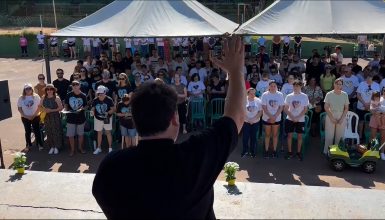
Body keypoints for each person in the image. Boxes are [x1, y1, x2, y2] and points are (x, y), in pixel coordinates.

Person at [92, 35, 245, 219]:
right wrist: (236, 71)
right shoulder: (196, 156)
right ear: (174, 118)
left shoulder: (111, 168)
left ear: (135, 119)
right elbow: (235, 116)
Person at [284, 80, 309, 161]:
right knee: (289, 136)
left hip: (300, 119)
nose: (295, 88)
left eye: (297, 86)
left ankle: (298, 153)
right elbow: (286, 109)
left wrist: (297, 117)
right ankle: (290, 152)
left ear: (300, 86)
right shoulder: (289, 96)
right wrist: (292, 117)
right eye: (294, 86)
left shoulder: (304, 96)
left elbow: (305, 109)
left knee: (299, 136)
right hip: (290, 119)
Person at [323, 78, 349, 154]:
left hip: (341, 116)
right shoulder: (329, 94)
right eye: (337, 84)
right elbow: (326, 107)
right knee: (329, 136)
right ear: (334, 84)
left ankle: (337, 152)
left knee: (339, 137)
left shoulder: (345, 94)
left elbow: (346, 108)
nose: (338, 85)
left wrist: (341, 119)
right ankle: (328, 152)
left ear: (342, 85)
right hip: (331, 115)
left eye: (340, 84)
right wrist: (332, 118)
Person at [261, 80, 284, 158]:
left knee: (275, 135)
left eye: (274, 86)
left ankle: (274, 151)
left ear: (276, 87)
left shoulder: (280, 94)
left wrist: (275, 116)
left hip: (276, 118)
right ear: (269, 86)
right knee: (267, 135)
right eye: (271, 86)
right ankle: (266, 151)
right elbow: (264, 107)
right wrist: (271, 117)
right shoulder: (265, 95)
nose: (273, 87)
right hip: (267, 118)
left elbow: (281, 107)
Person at [17, 83, 43, 152]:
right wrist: (25, 116)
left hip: (36, 116)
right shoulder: (21, 98)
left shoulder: (36, 96)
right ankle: (28, 145)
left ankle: (39, 144)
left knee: (37, 130)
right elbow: (19, 108)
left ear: (32, 89)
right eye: (26, 89)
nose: (28, 90)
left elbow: (39, 107)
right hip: (25, 118)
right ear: (24, 90)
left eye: (29, 88)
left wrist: (34, 115)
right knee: (27, 131)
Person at [65, 80, 88, 156]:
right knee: (71, 135)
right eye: (73, 85)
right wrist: (66, 110)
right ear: (72, 86)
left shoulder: (83, 95)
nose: (75, 86)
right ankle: (72, 150)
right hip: (70, 117)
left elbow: (86, 105)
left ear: (79, 86)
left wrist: (82, 109)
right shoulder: (68, 95)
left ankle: (80, 148)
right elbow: (66, 104)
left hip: (80, 117)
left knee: (80, 134)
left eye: (77, 85)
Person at [40, 84, 63, 155]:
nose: (49, 91)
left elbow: (61, 108)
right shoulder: (43, 97)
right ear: (46, 90)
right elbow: (40, 106)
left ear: (53, 90)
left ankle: (57, 147)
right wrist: (44, 110)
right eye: (47, 89)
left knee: (56, 131)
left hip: (55, 116)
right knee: (49, 131)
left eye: (51, 89)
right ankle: (52, 147)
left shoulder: (57, 98)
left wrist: (51, 110)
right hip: (47, 117)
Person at [92, 85, 115, 154]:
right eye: (99, 93)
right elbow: (93, 109)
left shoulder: (109, 99)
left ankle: (110, 148)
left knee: (108, 132)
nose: (100, 95)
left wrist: (107, 113)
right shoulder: (95, 100)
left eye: (102, 93)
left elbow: (113, 109)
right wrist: (92, 112)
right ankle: (99, 148)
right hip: (98, 118)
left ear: (105, 92)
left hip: (107, 118)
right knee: (99, 133)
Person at [356, 73, 380, 139]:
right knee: (361, 122)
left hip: (371, 107)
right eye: (367, 77)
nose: (368, 79)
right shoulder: (361, 84)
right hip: (361, 106)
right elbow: (358, 95)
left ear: (373, 78)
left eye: (370, 77)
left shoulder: (376, 85)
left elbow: (376, 97)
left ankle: (367, 137)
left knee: (368, 122)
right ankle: (360, 136)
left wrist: (369, 105)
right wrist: (364, 103)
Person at [242, 88, 262, 158]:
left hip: (255, 122)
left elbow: (260, 112)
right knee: (245, 137)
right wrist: (248, 119)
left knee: (254, 138)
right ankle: (245, 151)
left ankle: (253, 152)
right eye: (251, 93)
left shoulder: (258, 100)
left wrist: (253, 119)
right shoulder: (244, 100)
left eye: (254, 93)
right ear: (248, 93)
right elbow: (242, 111)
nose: (253, 95)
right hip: (246, 122)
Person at [369, 90, 385, 160]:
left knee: (383, 137)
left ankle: (382, 153)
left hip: (384, 119)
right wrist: (376, 110)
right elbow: (371, 111)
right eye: (384, 91)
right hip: (374, 119)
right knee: (373, 137)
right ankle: (373, 151)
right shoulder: (375, 99)